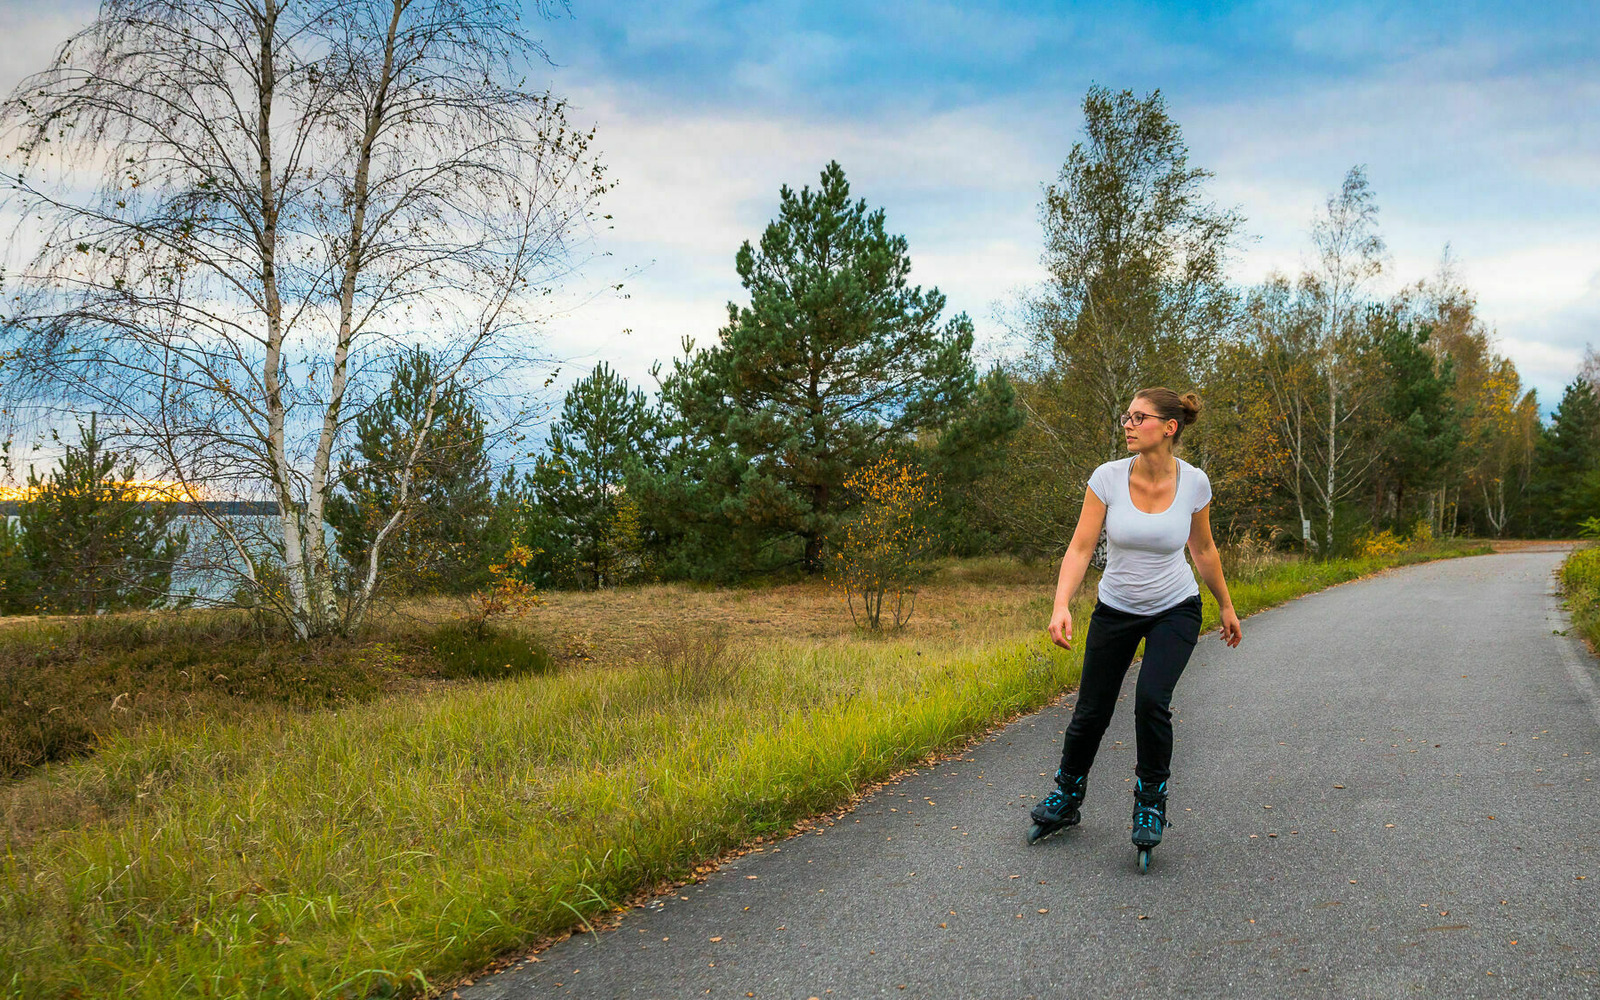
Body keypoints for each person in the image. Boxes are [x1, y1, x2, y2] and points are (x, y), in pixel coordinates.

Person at [1028, 387, 1243, 862]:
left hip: (1175, 608)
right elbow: (1080, 547)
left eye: (1138, 417)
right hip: (1116, 608)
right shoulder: (1106, 478)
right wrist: (1061, 604)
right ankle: (1067, 795)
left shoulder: (1194, 483)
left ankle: (1149, 804)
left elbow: (1203, 549)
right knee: (1092, 709)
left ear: (1168, 427)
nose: (1127, 424)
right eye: (1127, 416)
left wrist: (1226, 605)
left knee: (1150, 701)